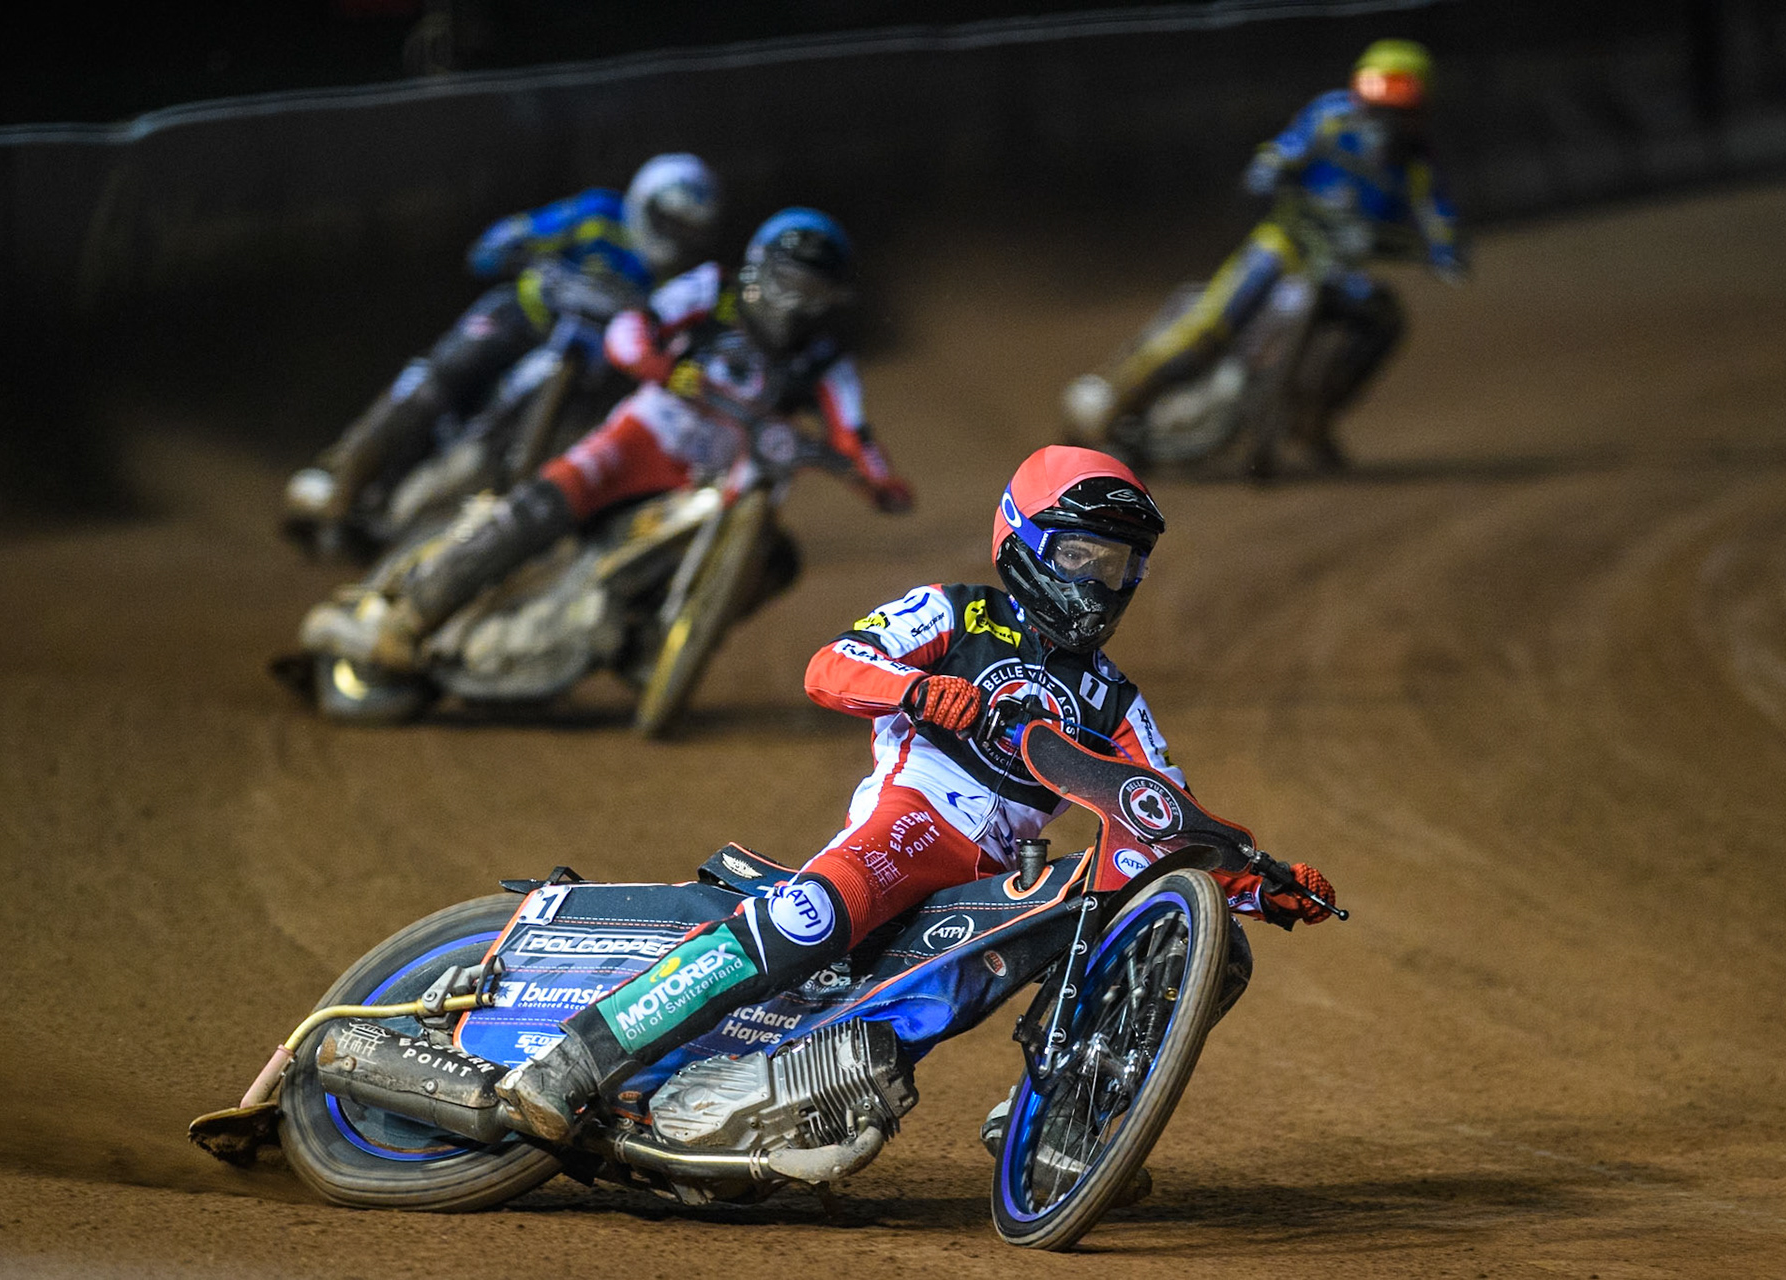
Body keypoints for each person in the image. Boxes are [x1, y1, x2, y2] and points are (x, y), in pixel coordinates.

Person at [495, 444, 1338, 1143]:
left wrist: (1256, 882)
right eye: (1078, 555)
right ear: (1025, 543)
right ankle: (574, 1060)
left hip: (997, 878)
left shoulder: (1117, 700)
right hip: (914, 822)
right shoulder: (957, 613)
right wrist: (915, 692)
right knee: (808, 920)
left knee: (1145, 928)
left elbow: (1160, 812)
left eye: (1116, 565)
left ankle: (1061, 1125)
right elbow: (828, 668)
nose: (1097, 581)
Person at [299, 207, 913, 669]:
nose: (796, 304)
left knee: (778, 561)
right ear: (759, 268)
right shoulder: (711, 291)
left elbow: (854, 430)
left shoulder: (826, 362)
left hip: (720, 481)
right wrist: (662, 366)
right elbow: (629, 331)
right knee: (539, 508)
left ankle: (654, 649)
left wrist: (879, 481)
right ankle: (406, 621)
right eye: (789, 282)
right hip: (641, 439)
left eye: (814, 292)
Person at [1064, 38, 1466, 469]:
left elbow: (1438, 217)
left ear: (1421, 101)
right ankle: (1117, 404)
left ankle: (1312, 420)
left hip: (1337, 271)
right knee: (1210, 326)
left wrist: (1445, 253)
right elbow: (1285, 150)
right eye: (1376, 87)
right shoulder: (1331, 117)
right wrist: (1266, 173)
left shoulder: (1418, 166)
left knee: (1384, 322)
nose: (1385, 102)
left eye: (1399, 91)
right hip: (1285, 243)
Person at [283, 153, 723, 536]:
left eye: (686, 230)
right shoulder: (598, 216)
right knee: (435, 383)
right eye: (669, 221)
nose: (673, 237)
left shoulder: (678, 281)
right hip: (520, 322)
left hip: (587, 372)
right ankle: (342, 478)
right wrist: (514, 247)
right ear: (644, 203)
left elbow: (688, 326)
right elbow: (506, 239)